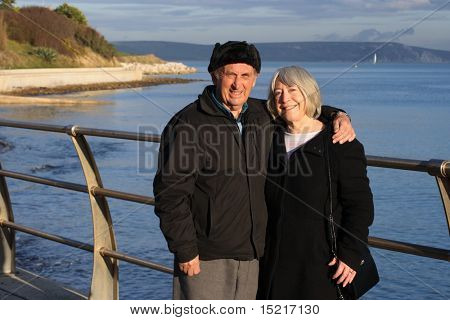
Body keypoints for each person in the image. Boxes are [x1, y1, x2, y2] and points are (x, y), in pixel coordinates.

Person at [153, 42, 355, 300]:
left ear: (255, 78)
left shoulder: (262, 114)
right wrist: (185, 250)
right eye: (231, 75)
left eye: (246, 75)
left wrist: (338, 115)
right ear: (215, 75)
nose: (238, 84)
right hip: (206, 256)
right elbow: (170, 194)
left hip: (255, 256)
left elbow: (298, 108)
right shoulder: (188, 123)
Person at [258, 66, 374, 300]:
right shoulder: (268, 136)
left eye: (293, 90)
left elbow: (360, 206)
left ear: (308, 93)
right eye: (278, 92)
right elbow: (237, 99)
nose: (285, 98)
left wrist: (350, 254)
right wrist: (337, 113)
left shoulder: (339, 143)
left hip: (321, 265)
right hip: (271, 263)